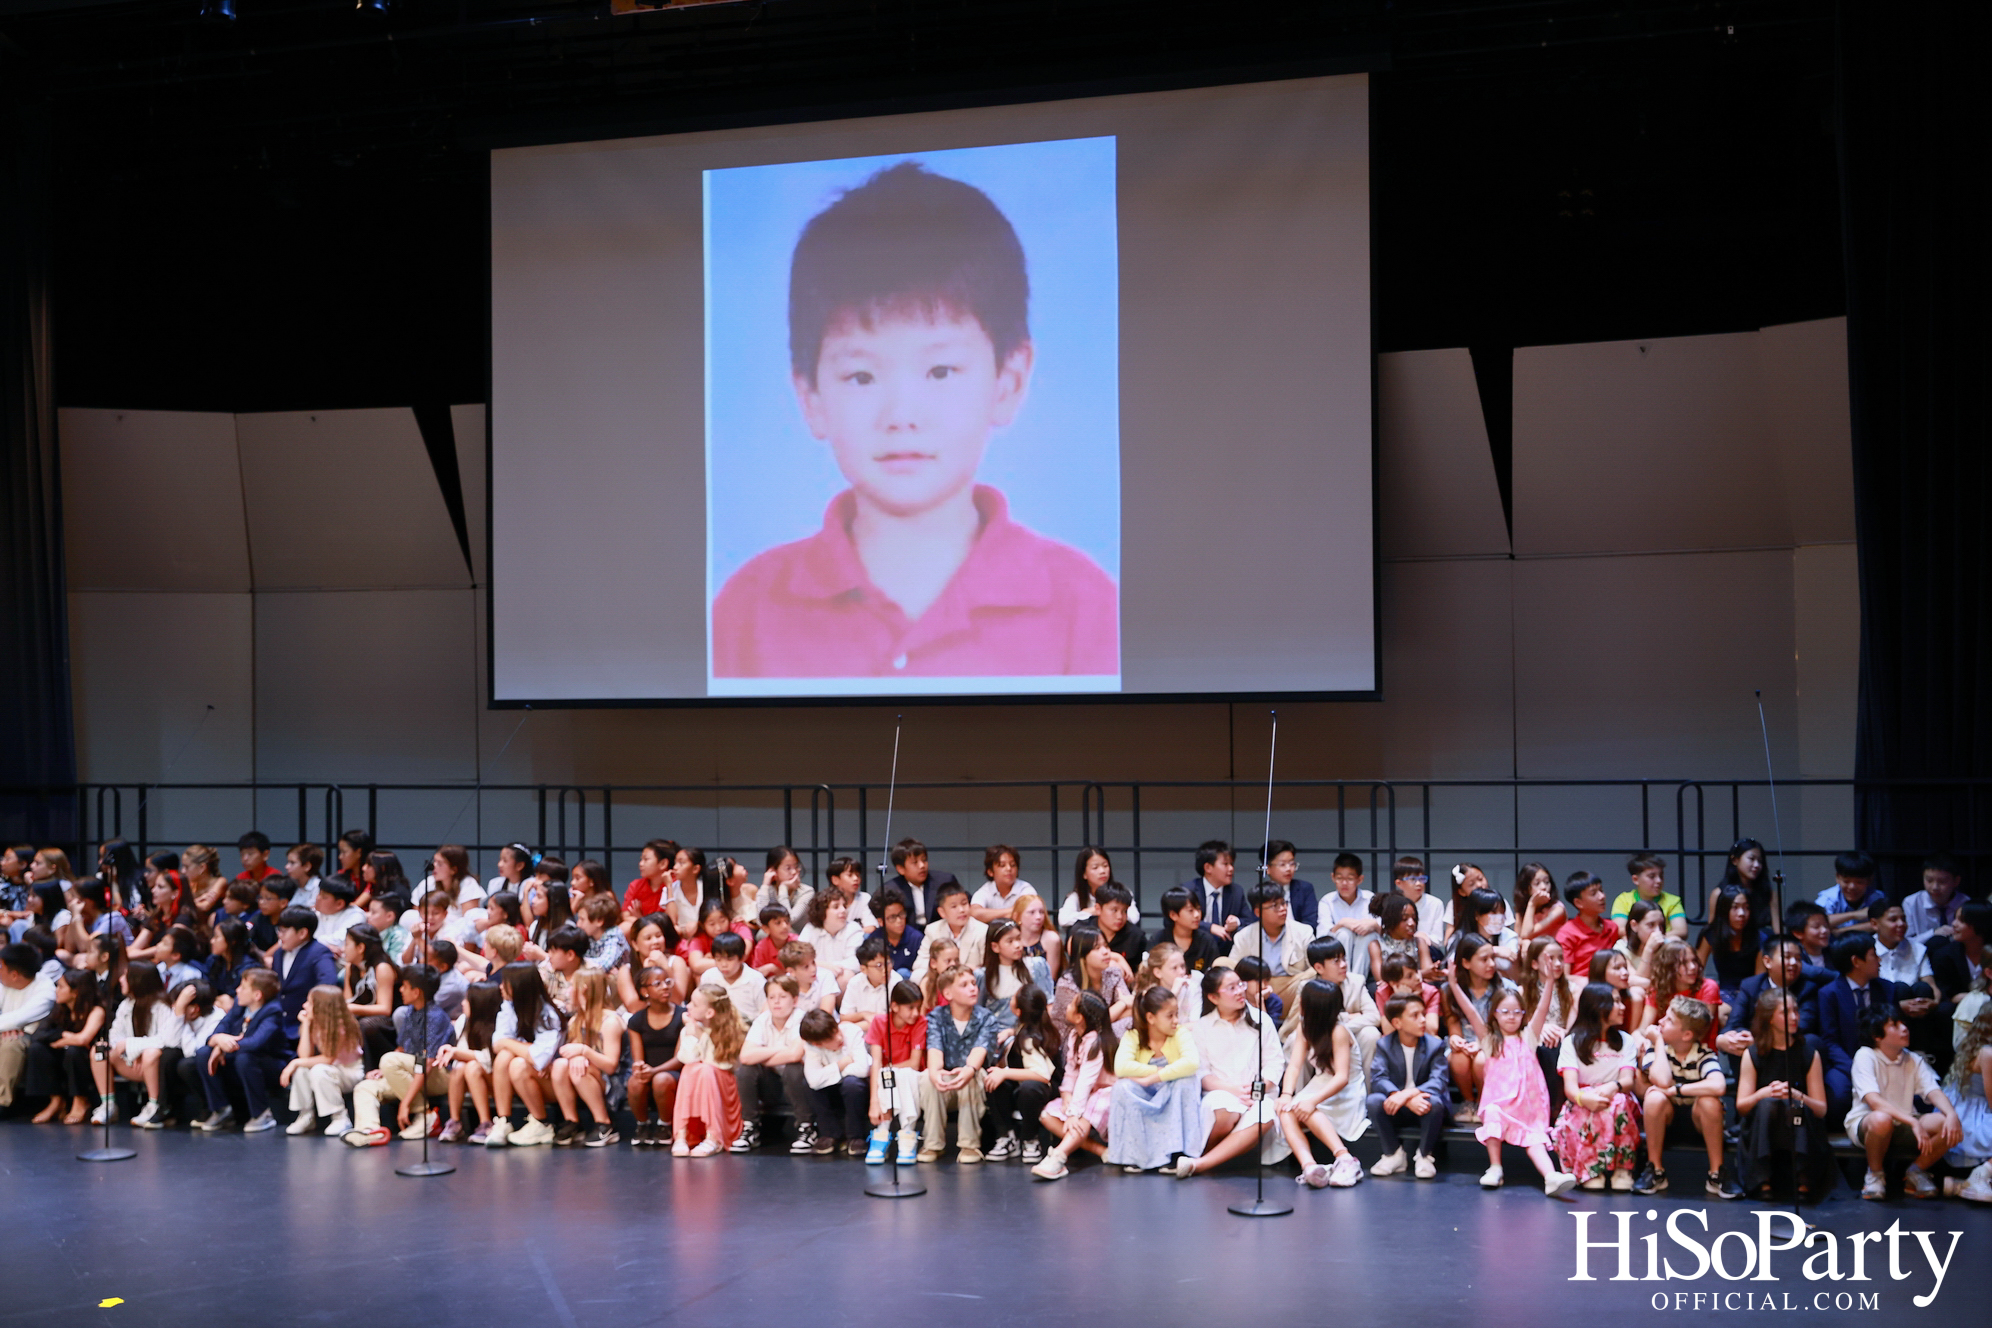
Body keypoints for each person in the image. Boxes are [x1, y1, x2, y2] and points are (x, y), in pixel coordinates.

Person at [711, 161, 1117, 680]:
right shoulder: (747, 609)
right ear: (811, 397)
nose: (901, 416)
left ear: (1008, 382)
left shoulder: (1086, 607)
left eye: (940, 371)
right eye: (861, 376)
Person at [1447, 961, 1574, 1195]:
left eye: (1517, 1012)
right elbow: (1471, 1012)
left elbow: (1542, 1008)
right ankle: (1495, 1168)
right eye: (1505, 1012)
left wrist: (1549, 982)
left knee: (1535, 1140)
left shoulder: (1529, 1037)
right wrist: (1454, 985)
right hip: (1500, 1103)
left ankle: (1551, 1176)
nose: (1511, 1017)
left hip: (1528, 1106)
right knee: (1492, 1116)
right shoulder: (1490, 1040)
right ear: (1495, 1015)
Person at [1173, 966, 1285, 1178]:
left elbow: (1275, 1063)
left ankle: (1201, 1164)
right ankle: (1205, 1157)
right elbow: (1202, 1073)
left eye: (1240, 985)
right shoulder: (1203, 1027)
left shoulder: (1261, 1020)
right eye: (1231, 988)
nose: (1240, 991)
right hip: (1220, 1091)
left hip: (1258, 1094)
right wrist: (1234, 1090)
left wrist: (1255, 1091)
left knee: (1265, 1113)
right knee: (1224, 1109)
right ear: (1213, 997)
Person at [1846, 1005, 1961, 1200]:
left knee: (1948, 1124)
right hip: (1868, 1122)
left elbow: (1933, 1090)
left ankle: (1916, 1171)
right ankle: (1875, 1174)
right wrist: (1913, 1122)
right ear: (1877, 1036)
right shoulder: (1865, 1055)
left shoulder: (1913, 1058)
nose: (1904, 1028)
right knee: (1882, 1119)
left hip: (1905, 1121)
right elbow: (1874, 1101)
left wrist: (1951, 1115)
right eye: (1894, 1025)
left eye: (1903, 1023)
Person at [1631, 996, 1739, 1198]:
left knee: (1710, 1101)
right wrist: (1659, 1041)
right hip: (1665, 1121)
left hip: (1698, 1122)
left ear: (1687, 1034)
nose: (1661, 1021)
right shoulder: (1656, 1050)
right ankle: (1655, 1170)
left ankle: (1717, 1174)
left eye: (1669, 1020)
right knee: (1654, 1097)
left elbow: (1718, 1085)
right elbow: (1662, 1080)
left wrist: (1677, 1090)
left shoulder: (1703, 1054)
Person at [1734, 987, 1832, 1201]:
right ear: (1770, 1018)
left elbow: (1821, 1109)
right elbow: (1742, 1106)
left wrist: (1797, 1095)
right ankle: (1762, 1178)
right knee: (1768, 1104)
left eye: (1796, 1011)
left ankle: (1803, 1177)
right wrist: (1763, 1093)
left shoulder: (1808, 1053)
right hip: (1764, 1122)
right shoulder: (1753, 1054)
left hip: (1798, 1122)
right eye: (1785, 1012)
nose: (1794, 1017)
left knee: (1794, 1107)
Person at [343, 963, 452, 1146]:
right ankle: (369, 1131)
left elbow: (426, 1063)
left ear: (416, 992)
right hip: (414, 1072)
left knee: (389, 1060)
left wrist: (406, 1103)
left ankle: (426, 1115)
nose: (400, 990)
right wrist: (383, 1071)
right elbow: (402, 1048)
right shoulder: (410, 1012)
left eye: (405, 986)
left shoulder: (435, 1017)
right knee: (366, 1087)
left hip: (438, 1075)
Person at [1275, 980, 1366, 1189]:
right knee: (1287, 1111)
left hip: (1345, 1089)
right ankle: (1309, 1166)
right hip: (1321, 1082)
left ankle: (1345, 1159)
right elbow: (1294, 1066)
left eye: (1303, 999)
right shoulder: (1304, 1027)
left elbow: (1342, 1077)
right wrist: (1286, 1094)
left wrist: (1312, 1101)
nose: (1299, 1001)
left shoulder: (1339, 1031)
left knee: (1306, 1108)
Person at [1816, 930, 1916, 1117]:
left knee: (1916, 1096)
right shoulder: (1829, 994)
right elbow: (1830, 1041)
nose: (1879, 960)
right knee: (1839, 1097)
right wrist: (1858, 1068)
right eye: (1873, 955)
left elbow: (1895, 1030)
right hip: (1847, 1062)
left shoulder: (1887, 989)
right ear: (1856, 961)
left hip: (1885, 1060)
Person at [1551, 981, 1640, 1191]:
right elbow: (1571, 1088)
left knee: (1617, 1102)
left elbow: (1627, 1080)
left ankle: (1622, 1168)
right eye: (1616, 1002)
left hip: (1616, 1097)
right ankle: (1590, 1168)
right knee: (1587, 1109)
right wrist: (1584, 1099)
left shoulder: (1626, 1041)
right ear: (1599, 1007)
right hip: (1582, 1099)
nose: (1622, 1007)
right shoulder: (1572, 1042)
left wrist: (1613, 1086)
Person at [1103, 985, 1201, 1174]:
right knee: (1122, 1087)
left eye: (1176, 1014)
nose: (1176, 1020)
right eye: (1170, 1016)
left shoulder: (1180, 1033)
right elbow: (1121, 1067)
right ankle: (1134, 1156)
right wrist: (1156, 1070)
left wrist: (1154, 1078)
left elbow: (1191, 1063)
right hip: (1145, 1092)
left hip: (1171, 1090)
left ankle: (1176, 1154)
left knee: (1186, 1082)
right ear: (1151, 1018)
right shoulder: (1133, 1036)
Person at [917, 965, 999, 1163]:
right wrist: (935, 1074)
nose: (972, 988)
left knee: (971, 1076)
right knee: (928, 1079)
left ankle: (969, 1145)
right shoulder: (936, 1017)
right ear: (948, 993)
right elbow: (934, 1050)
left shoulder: (986, 1018)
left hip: (973, 1078)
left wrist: (968, 1070)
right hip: (947, 1080)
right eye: (964, 985)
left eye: (973, 983)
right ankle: (932, 1144)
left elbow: (979, 1052)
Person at [1032, 989, 1115, 1180]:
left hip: (1106, 1094)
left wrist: (1074, 1113)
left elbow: (1086, 1080)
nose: (1067, 1006)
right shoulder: (1074, 1036)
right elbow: (1071, 1073)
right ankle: (1101, 1151)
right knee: (1046, 1115)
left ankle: (1058, 1157)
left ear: (1079, 1017)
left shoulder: (1095, 1043)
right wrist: (1066, 1096)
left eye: (1071, 1004)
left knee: (1083, 1115)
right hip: (1084, 1095)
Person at [1367, 992, 1448, 1180]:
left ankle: (1424, 1156)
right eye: (1415, 1015)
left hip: (1423, 1106)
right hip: (1397, 1107)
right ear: (1397, 1023)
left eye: (1423, 1014)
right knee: (1373, 1101)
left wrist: (1407, 1094)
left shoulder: (1435, 1045)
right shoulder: (1384, 1045)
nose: (1423, 1020)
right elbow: (1378, 1078)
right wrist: (1399, 1096)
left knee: (1435, 1103)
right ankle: (1393, 1154)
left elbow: (1439, 1081)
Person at [194, 968, 287, 1133]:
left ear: (257, 995)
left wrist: (224, 1047)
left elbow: (255, 1043)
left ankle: (262, 1114)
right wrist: (218, 1040)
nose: (237, 990)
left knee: (245, 1057)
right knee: (203, 1054)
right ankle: (222, 1109)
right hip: (239, 1059)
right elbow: (221, 1028)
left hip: (268, 1065)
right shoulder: (240, 1004)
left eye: (243, 987)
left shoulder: (273, 1011)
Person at [484, 962, 563, 1148]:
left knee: (517, 1064)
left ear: (519, 986)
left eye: (505, 983)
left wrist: (511, 1044)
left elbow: (539, 1058)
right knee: (504, 1057)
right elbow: (497, 1043)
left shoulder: (548, 1014)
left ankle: (541, 1123)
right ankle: (503, 1121)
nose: (500, 987)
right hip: (533, 1074)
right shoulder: (509, 1006)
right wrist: (525, 1047)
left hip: (555, 1081)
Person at [91, 963, 180, 1126]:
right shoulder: (126, 1004)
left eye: (125, 976)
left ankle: (154, 1105)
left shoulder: (162, 1006)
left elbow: (165, 1039)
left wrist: (133, 1046)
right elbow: (115, 1034)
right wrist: (130, 1052)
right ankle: (108, 1104)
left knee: (151, 1053)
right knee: (99, 1050)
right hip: (131, 1062)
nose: (121, 979)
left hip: (155, 1065)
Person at [981, 983, 1061, 1162]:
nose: (1010, 998)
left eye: (1013, 998)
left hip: (1047, 1090)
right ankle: (1007, 1137)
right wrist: (1010, 1032)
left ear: (1018, 1011)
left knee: (1028, 1088)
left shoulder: (1030, 1038)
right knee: (994, 1079)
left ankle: (1030, 1139)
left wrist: (1005, 1072)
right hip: (1029, 1085)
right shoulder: (1030, 1026)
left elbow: (1042, 1075)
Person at [548, 968, 628, 1147]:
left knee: (579, 1070)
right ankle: (572, 1121)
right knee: (561, 1065)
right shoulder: (576, 1020)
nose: (568, 991)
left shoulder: (610, 1022)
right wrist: (576, 1056)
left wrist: (584, 1051)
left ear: (583, 989)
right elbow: (568, 1052)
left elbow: (611, 1066)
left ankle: (605, 1124)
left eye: (571, 986)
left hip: (614, 1081)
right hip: (591, 1075)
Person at [734, 975, 812, 1154]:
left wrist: (762, 1055)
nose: (776, 1002)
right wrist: (781, 1049)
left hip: (801, 1086)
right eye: (771, 997)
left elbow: (794, 1055)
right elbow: (745, 1056)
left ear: (795, 1000)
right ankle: (750, 1127)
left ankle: (807, 1127)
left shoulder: (803, 1019)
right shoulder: (762, 1020)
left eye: (782, 997)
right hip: (772, 1084)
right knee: (746, 1070)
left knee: (794, 1068)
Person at [671, 984, 746, 1157]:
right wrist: (692, 1032)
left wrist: (700, 1036)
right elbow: (687, 1058)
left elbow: (719, 1064)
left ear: (709, 1013)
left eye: (694, 1004)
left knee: (705, 1069)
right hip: (701, 1080)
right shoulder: (690, 1029)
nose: (688, 1006)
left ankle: (714, 1136)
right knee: (690, 1068)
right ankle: (681, 1134)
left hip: (722, 1083)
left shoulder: (732, 1031)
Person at [281, 984, 364, 1137]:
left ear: (322, 1007)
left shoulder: (340, 1026)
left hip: (350, 1071)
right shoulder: (316, 1022)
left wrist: (294, 1063)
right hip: (333, 1069)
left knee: (319, 1070)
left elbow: (328, 1058)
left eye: (309, 1003)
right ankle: (306, 1115)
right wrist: (306, 1024)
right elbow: (304, 1056)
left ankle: (340, 1117)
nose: (304, 1005)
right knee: (302, 1069)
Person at [25, 968, 104, 1124]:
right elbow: (38, 1035)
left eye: (61, 987)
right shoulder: (60, 1009)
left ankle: (81, 1101)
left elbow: (84, 1039)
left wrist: (64, 1041)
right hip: (65, 1056)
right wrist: (65, 1036)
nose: (56, 990)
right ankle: (56, 1101)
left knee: (74, 1051)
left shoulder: (96, 1010)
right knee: (37, 1049)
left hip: (90, 1059)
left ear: (75, 992)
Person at [864, 979, 928, 1164]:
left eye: (918, 1007)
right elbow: (876, 1062)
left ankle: (908, 1132)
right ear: (894, 1006)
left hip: (912, 1077)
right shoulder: (879, 1022)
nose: (916, 1013)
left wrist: (888, 1070)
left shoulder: (920, 1022)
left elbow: (914, 1063)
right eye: (910, 1008)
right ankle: (882, 1131)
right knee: (885, 1073)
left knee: (901, 1073)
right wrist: (874, 1102)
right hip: (886, 1079)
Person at [799, 1007, 873, 1157]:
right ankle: (830, 1134)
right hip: (832, 1091)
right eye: (830, 1038)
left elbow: (862, 1069)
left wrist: (828, 1073)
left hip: (857, 1092)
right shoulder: (811, 1047)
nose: (839, 1038)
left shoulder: (851, 1031)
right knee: (808, 1085)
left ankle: (856, 1137)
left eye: (837, 1031)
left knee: (852, 1083)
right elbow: (813, 1080)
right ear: (817, 1044)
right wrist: (841, 1064)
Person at [623, 966, 683, 1147]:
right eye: (658, 984)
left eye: (667, 982)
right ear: (644, 991)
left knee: (661, 1080)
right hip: (650, 1072)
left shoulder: (682, 1016)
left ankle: (665, 1125)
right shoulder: (636, 1020)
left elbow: (681, 1058)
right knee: (635, 1082)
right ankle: (643, 1125)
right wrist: (640, 1068)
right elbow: (638, 1058)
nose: (665, 987)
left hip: (675, 1073)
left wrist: (654, 1071)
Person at [1231, 882, 1315, 1010]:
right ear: (1258, 912)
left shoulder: (1303, 932)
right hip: (1256, 988)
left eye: (1283, 903)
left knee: (1308, 984)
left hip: (1290, 986)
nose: (1283, 909)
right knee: (1222, 963)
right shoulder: (1244, 936)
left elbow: (1315, 967)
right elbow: (1232, 967)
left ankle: (1290, 1024)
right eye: (1275, 905)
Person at [437, 981, 504, 1143]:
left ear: (480, 1003)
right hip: (472, 1077)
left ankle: (485, 1123)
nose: (463, 1003)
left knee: (472, 1066)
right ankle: (454, 1121)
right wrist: (452, 1052)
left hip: (499, 1079)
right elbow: (461, 1053)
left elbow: (490, 1059)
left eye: (467, 999)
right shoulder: (463, 1021)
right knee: (460, 1067)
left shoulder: (500, 1023)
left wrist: (458, 1053)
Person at [1941, 1002, 1992, 1202]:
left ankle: (1958, 1185)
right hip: (1973, 1116)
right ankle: (1981, 1175)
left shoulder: (1977, 1046)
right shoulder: (1988, 1053)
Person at [1696, 885, 1764, 1010]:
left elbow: (1759, 981)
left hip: (1750, 994)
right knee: (1718, 1011)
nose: (1742, 913)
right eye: (1735, 907)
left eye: (1746, 908)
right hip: (1723, 992)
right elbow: (1696, 970)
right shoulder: (1711, 934)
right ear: (1724, 909)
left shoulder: (1759, 937)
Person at [910, 882, 988, 982]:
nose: (961, 910)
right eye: (954, 906)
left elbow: (987, 967)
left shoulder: (982, 931)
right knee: (917, 975)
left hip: (969, 981)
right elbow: (919, 963)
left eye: (964, 904)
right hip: (941, 979)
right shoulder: (933, 930)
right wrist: (944, 967)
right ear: (942, 912)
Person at [1318, 853, 1379, 977]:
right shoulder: (1327, 901)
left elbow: (1385, 932)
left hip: (1366, 954)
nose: (1344, 883)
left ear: (1360, 879)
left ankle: (1357, 980)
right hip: (1337, 954)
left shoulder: (1370, 899)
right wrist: (1341, 924)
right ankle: (1345, 978)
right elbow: (1322, 937)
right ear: (1333, 877)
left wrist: (1373, 925)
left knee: (1369, 936)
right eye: (1339, 878)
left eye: (1350, 879)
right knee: (1344, 933)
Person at [1555, 873, 1623, 982]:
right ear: (1578, 903)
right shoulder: (1566, 933)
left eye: (1601, 890)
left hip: (1611, 982)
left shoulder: (1612, 928)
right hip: (1581, 985)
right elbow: (1565, 976)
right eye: (1594, 893)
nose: (1602, 896)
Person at [798, 891, 865, 990]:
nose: (843, 910)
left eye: (844, 906)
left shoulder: (853, 928)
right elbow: (799, 957)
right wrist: (827, 967)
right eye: (836, 907)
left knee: (847, 976)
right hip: (815, 975)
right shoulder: (810, 929)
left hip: (839, 977)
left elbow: (856, 961)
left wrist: (832, 967)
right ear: (822, 912)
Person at [697, 931, 767, 1024]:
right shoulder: (709, 977)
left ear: (742, 958)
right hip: (716, 1025)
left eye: (729, 959)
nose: (724, 965)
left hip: (748, 1026)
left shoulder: (756, 979)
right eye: (718, 959)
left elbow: (765, 1012)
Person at [1186, 841, 1246, 949]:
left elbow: (1250, 921)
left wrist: (1237, 922)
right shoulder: (1188, 890)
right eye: (1225, 864)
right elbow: (1174, 921)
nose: (1231, 869)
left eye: (1232, 864)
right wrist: (1209, 927)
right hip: (1195, 949)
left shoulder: (1236, 891)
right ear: (1208, 867)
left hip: (1227, 952)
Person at [1062, 848, 1140, 929]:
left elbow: (1133, 918)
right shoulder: (1076, 896)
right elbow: (1064, 920)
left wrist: (1103, 912)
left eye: (1105, 866)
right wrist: (1089, 912)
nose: (1102, 871)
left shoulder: (1121, 892)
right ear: (1084, 874)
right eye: (1095, 867)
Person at [1902, 853, 1965, 946]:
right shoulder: (1911, 903)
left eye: (1942, 882)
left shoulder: (1965, 903)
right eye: (1929, 880)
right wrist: (1933, 933)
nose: (1935, 887)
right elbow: (1906, 942)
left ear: (1956, 881)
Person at [1817, 850, 1885, 934]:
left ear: (1869, 880)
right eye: (1846, 881)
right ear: (1837, 878)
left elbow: (1882, 924)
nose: (1852, 887)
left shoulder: (1877, 898)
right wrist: (1854, 914)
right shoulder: (1828, 898)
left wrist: (1840, 931)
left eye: (1859, 882)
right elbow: (1817, 922)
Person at [1261, 839, 1320, 931]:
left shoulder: (1304, 888)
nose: (1288, 869)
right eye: (1282, 864)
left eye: (1292, 863)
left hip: (1300, 937)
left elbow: (1311, 921)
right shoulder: (1261, 892)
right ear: (1267, 868)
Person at [969, 844, 1037, 923]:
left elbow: (1030, 911)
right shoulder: (986, 890)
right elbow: (975, 913)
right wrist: (1013, 911)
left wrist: (989, 915)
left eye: (1013, 865)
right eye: (1002, 865)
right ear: (990, 872)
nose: (1009, 869)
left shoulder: (1025, 888)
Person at [1093, 882, 1145, 973]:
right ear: (1098, 909)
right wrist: (1118, 958)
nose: (1120, 917)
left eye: (1124, 911)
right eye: (1114, 910)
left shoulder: (1136, 936)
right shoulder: (1083, 929)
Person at [1012, 892, 1063, 980]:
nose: (1038, 917)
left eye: (1041, 912)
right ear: (1017, 917)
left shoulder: (1051, 939)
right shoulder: (1009, 939)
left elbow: (1050, 979)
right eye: (1032, 912)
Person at [1512, 861, 1565, 943]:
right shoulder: (1522, 908)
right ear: (1526, 889)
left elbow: (1526, 935)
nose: (1544, 887)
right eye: (1537, 883)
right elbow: (1517, 938)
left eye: (1547, 882)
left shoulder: (1558, 909)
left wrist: (1532, 904)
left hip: (1552, 948)